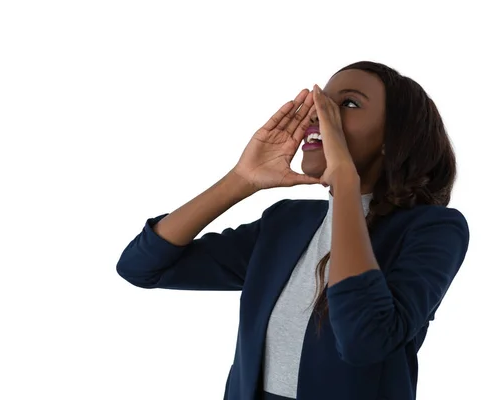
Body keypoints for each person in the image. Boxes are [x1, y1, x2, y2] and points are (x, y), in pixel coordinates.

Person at [116, 61, 470, 400]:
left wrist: (346, 181)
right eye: (321, 103)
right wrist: (240, 180)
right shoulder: (286, 223)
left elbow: (364, 339)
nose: (320, 113)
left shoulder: (435, 230)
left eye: (347, 104)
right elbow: (141, 267)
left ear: (392, 139)